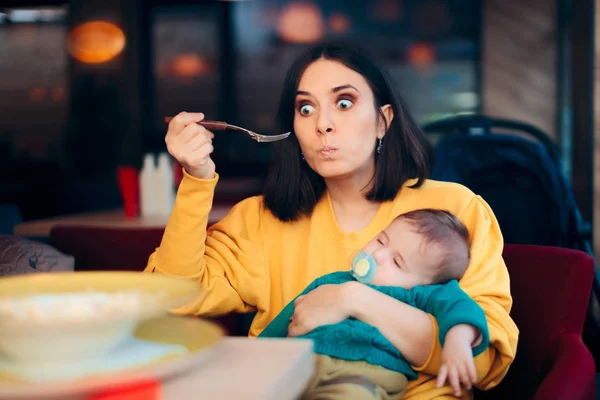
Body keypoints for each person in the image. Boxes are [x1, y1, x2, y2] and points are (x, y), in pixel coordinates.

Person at [144, 43, 519, 399]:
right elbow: (170, 299)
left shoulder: (455, 209)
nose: (322, 123)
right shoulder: (259, 219)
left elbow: (484, 362)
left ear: (382, 121)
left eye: (344, 102)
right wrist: (196, 178)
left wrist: (352, 298)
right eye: (305, 109)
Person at [259, 209, 490, 400]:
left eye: (396, 262)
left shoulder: (421, 296)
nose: (378, 255)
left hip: (361, 373)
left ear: (424, 284)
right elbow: (282, 324)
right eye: (381, 240)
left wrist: (457, 341)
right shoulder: (331, 282)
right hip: (303, 362)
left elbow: (461, 309)